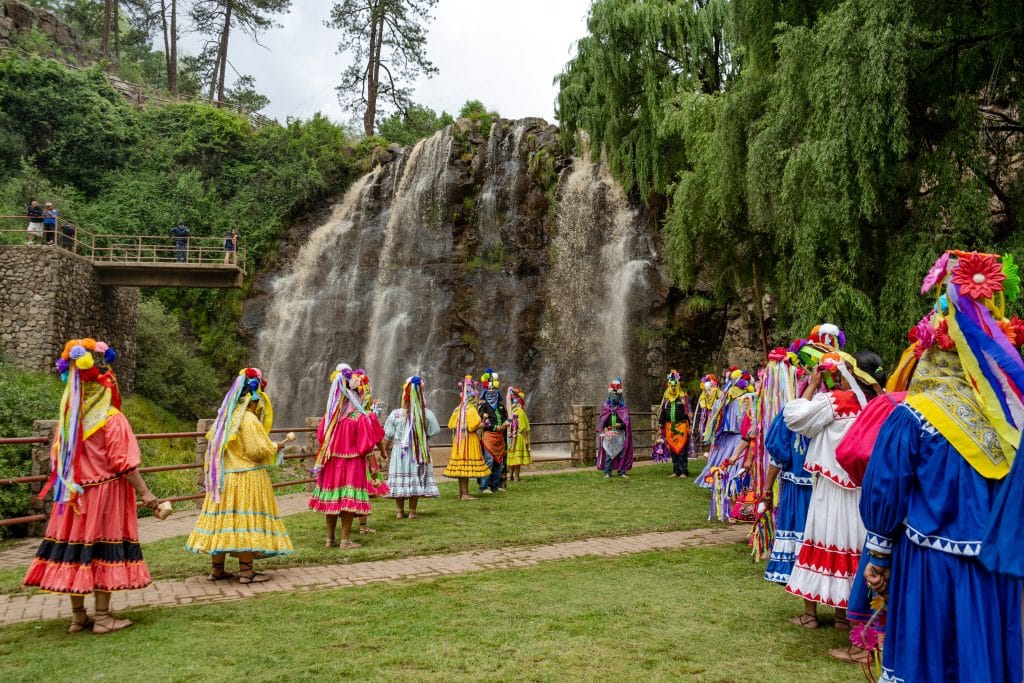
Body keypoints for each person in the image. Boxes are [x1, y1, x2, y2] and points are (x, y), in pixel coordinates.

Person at [862, 251, 1024, 682]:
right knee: (982, 660)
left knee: (930, 661)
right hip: (995, 569)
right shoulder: (1011, 421)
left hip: (930, 567)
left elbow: (887, 489)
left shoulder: (914, 416)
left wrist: (878, 555)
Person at [23, 338, 159, 634]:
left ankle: (78, 617)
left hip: (73, 497)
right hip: (104, 496)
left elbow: (59, 459)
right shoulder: (111, 419)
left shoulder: (69, 420)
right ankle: (103, 617)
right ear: (105, 386)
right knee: (102, 549)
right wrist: (147, 494)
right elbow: (125, 464)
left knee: (78, 550)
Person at [783, 333, 881, 631]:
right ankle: (843, 616)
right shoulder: (878, 404)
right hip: (862, 489)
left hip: (831, 487)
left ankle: (810, 615)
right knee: (852, 544)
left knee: (821, 538)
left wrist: (812, 384)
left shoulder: (837, 401)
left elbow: (794, 417)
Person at [186, 368, 294, 583]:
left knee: (224, 521)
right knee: (245, 521)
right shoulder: (248, 419)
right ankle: (246, 572)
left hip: (225, 478)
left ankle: (217, 569)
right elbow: (256, 450)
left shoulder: (226, 417)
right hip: (246, 478)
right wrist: (275, 446)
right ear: (254, 399)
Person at [309, 363, 386, 548]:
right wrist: (373, 468)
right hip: (352, 465)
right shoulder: (359, 418)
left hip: (331, 465)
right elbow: (367, 446)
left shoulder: (329, 419)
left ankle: (330, 540)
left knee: (333, 501)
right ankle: (345, 540)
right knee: (347, 503)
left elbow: (321, 438)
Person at [384, 375, 440, 518]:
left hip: (400, 451)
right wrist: (424, 438)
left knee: (400, 478)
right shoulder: (425, 413)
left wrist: (386, 449)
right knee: (415, 476)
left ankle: (399, 511)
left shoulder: (395, 414)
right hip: (417, 450)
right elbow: (434, 429)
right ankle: (412, 512)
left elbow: (389, 435)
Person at [354, 369, 390, 534]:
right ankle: (363, 525)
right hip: (365, 457)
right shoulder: (369, 416)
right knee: (364, 491)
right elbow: (377, 438)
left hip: (348, 457)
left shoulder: (346, 414)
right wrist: (382, 452)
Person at [444, 376, 491, 499]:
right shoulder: (471, 410)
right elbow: (472, 427)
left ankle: (461, 492)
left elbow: (451, 424)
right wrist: (484, 424)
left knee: (461, 466)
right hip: (468, 440)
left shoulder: (457, 409)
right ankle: (465, 494)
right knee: (465, 466)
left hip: (459, 441)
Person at [476, 369, 508, 493]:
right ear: (485, 391)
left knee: (499, 461)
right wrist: (495, 427)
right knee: (488, 461)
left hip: (500, 437)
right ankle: (483, 487)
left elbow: (505, 418)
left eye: (493, 389)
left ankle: (495, 486)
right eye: (489, 390)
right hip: (489, 436)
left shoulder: (501, 406)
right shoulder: (483, 405)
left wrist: (505, 424)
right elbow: (481, 422)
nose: (491, 392)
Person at [596, 378, 633, 478]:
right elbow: (603, 421)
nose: (614, 398)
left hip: (620, 434)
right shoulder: (606, 408)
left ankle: (622, 472)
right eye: (612, 396)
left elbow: (626, 424)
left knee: (621, 453)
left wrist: (620, 425)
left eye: (615, 396)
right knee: (609, 454)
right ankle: (607, 472)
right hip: (609, 434)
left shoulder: (623, 408)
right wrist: (605, 429)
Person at [657, 370, 690, 478]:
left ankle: (683, 471)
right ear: (668, 385)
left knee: (682, 450)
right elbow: (662, 414)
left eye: (675, 385)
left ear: (678, 385)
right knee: (673, 449)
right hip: (670, 428)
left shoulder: (683, 397)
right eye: (671, 385)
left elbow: (687, 413)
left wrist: (689, 427)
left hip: (681, 427)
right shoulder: (666, 398)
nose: (673, 387)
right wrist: (660, 427)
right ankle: (676, 471)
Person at [505, 386, 532, 482]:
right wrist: (526, 438)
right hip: (519, 436)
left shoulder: (511, 412)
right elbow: (524, 427)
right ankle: (517, 477)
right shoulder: (520, 412)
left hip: (510, 436)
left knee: (512, 456)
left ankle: (510, 476)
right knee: (518, 457)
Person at [691, 374, 720, 458]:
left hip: (716, 414)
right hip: (710, 414)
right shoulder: (705, 393)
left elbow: (721, 397)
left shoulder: (716, 391)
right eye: (706, 390)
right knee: (709, 429)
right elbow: (702, 398)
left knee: (715, 430)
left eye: (709, 390)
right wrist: (704, 405)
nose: (707, 392)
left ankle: (714, 451)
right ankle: (710, 451)